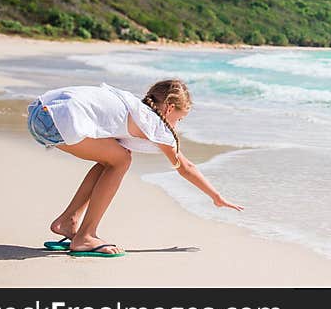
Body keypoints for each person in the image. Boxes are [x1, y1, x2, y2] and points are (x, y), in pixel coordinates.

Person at [26, 79, 244, 257]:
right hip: (55, 120)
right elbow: (185, 167)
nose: (177, 125)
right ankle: (86, 236)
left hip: (40, 113)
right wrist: (216, 196)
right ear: (169, 108)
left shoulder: (132, 107)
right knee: (122, 160)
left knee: (114, 158)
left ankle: (69, 221)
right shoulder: (154, 123)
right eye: (180, 118)